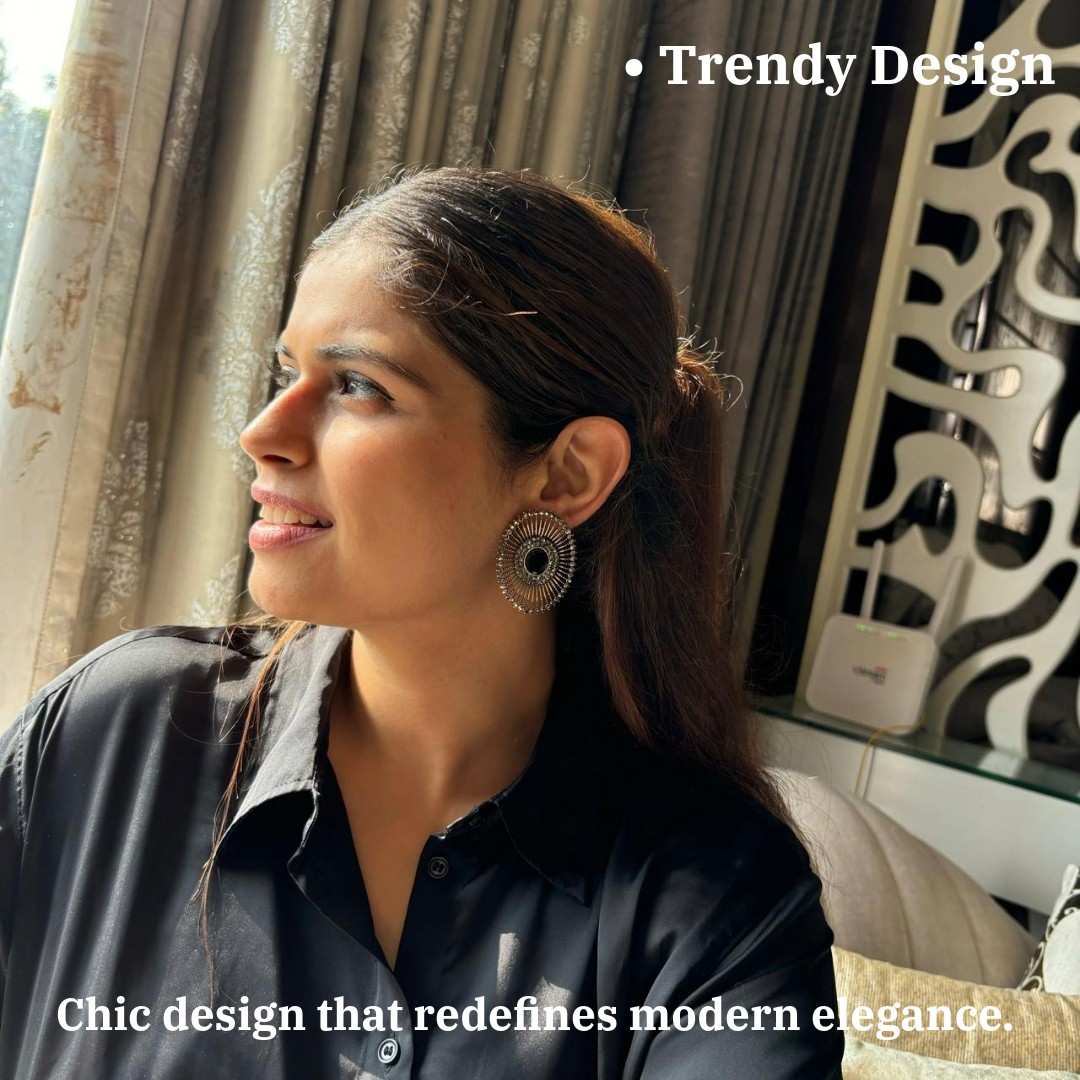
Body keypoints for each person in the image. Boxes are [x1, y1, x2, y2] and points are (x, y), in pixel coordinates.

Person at [0, 165, 843, 1078]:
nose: (263, 433)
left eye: (359, 385)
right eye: (289, 372)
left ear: (567, 474)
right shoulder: (114, 734)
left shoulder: (717, 904)